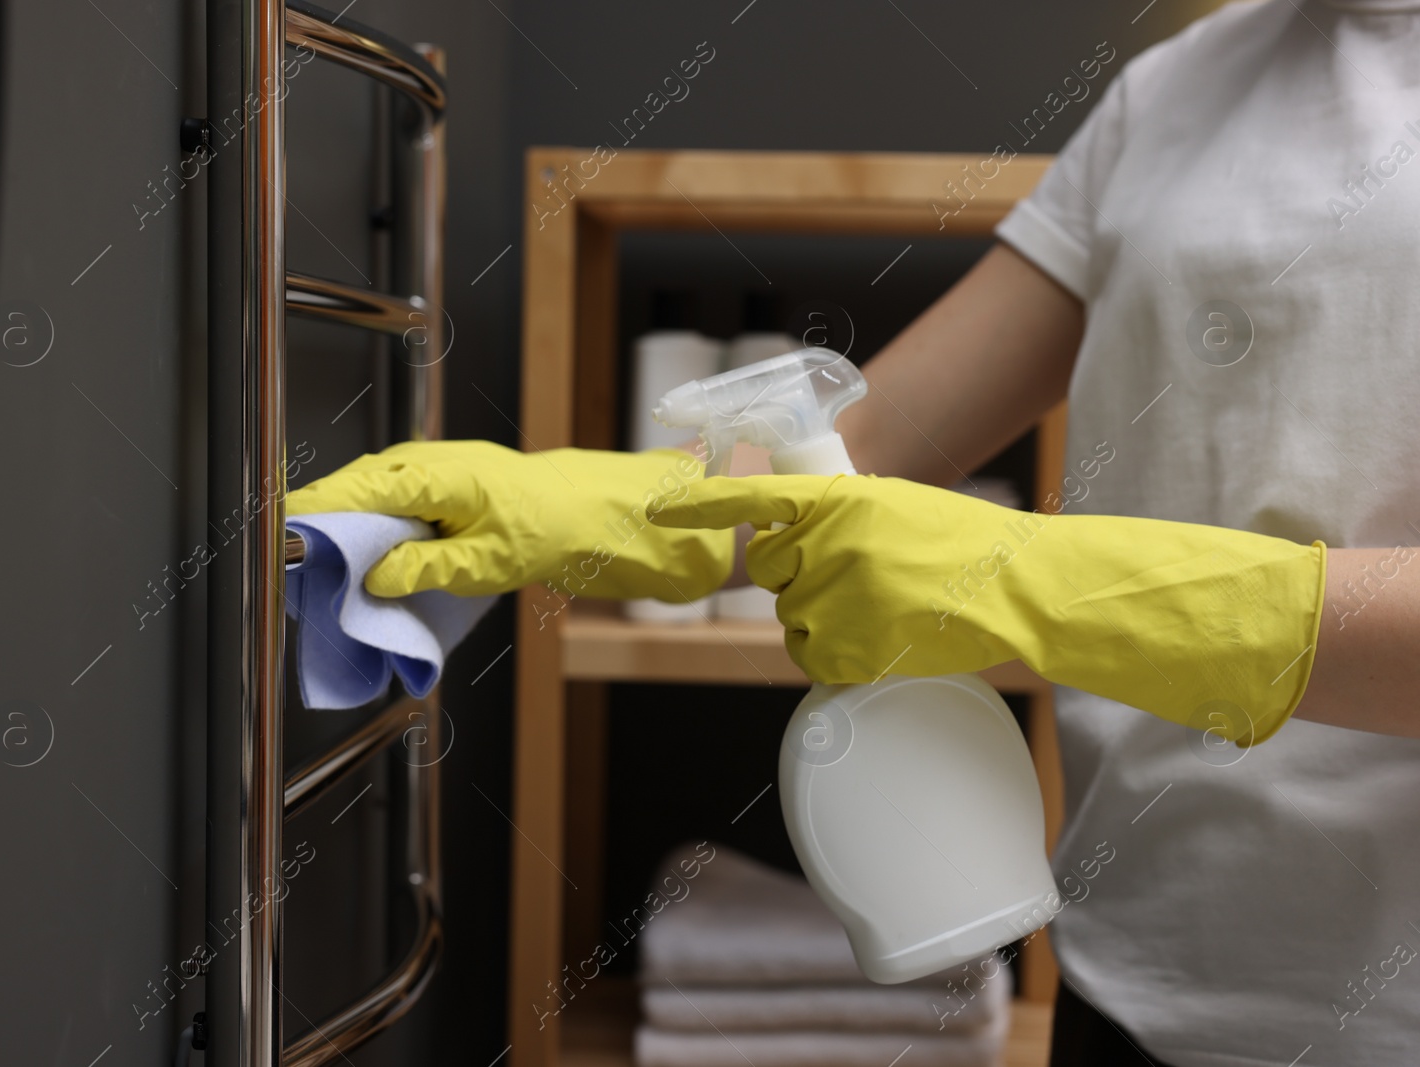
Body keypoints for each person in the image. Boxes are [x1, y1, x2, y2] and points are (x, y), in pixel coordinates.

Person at [287, 1, 1420, 1062]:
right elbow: (861, 447)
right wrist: (601, 509)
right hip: (1128, 982)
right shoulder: (1177, 89)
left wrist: (1036, 584)